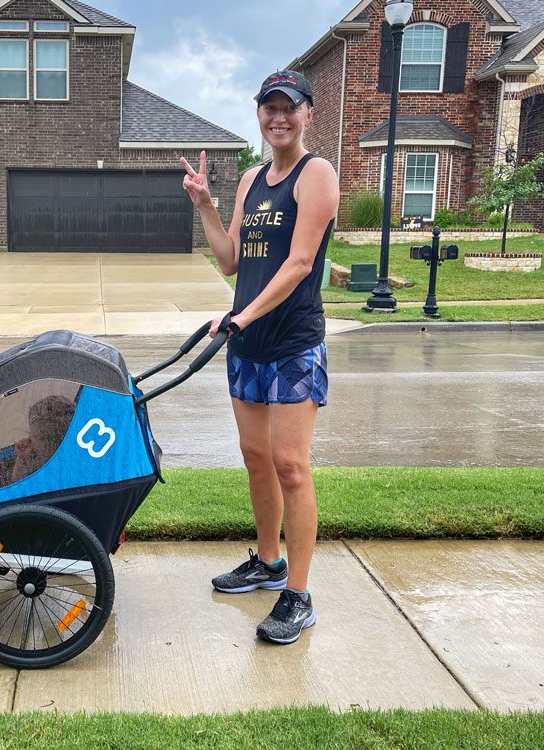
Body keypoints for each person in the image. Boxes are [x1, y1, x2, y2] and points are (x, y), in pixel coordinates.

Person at [180, 69, 339, 645]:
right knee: (255, 457)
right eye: (269, 108)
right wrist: (205, 205)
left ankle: (298, 593)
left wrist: (244, 314)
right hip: (244, 341)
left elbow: (299, 264)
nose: (278, 117)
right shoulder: (251, 178)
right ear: (260, 115)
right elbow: (229, 260)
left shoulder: (315, 174)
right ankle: (267, 562)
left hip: (292, 342)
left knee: (291, 465)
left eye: (288, 108)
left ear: (306, 114)